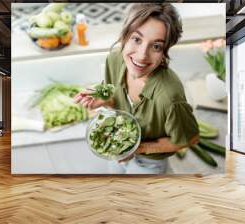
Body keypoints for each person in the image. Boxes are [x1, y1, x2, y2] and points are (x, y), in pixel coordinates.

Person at [74, 3, 199, 174]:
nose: (142, 55)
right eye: (136, 39)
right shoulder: (115, 60)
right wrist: (105, 101)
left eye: (156, 46)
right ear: (125, 35)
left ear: (165, 51)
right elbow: (118, 104)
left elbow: (190, 139)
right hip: (116, 148)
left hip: (149, 162)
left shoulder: (170, 97)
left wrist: (136, 148)